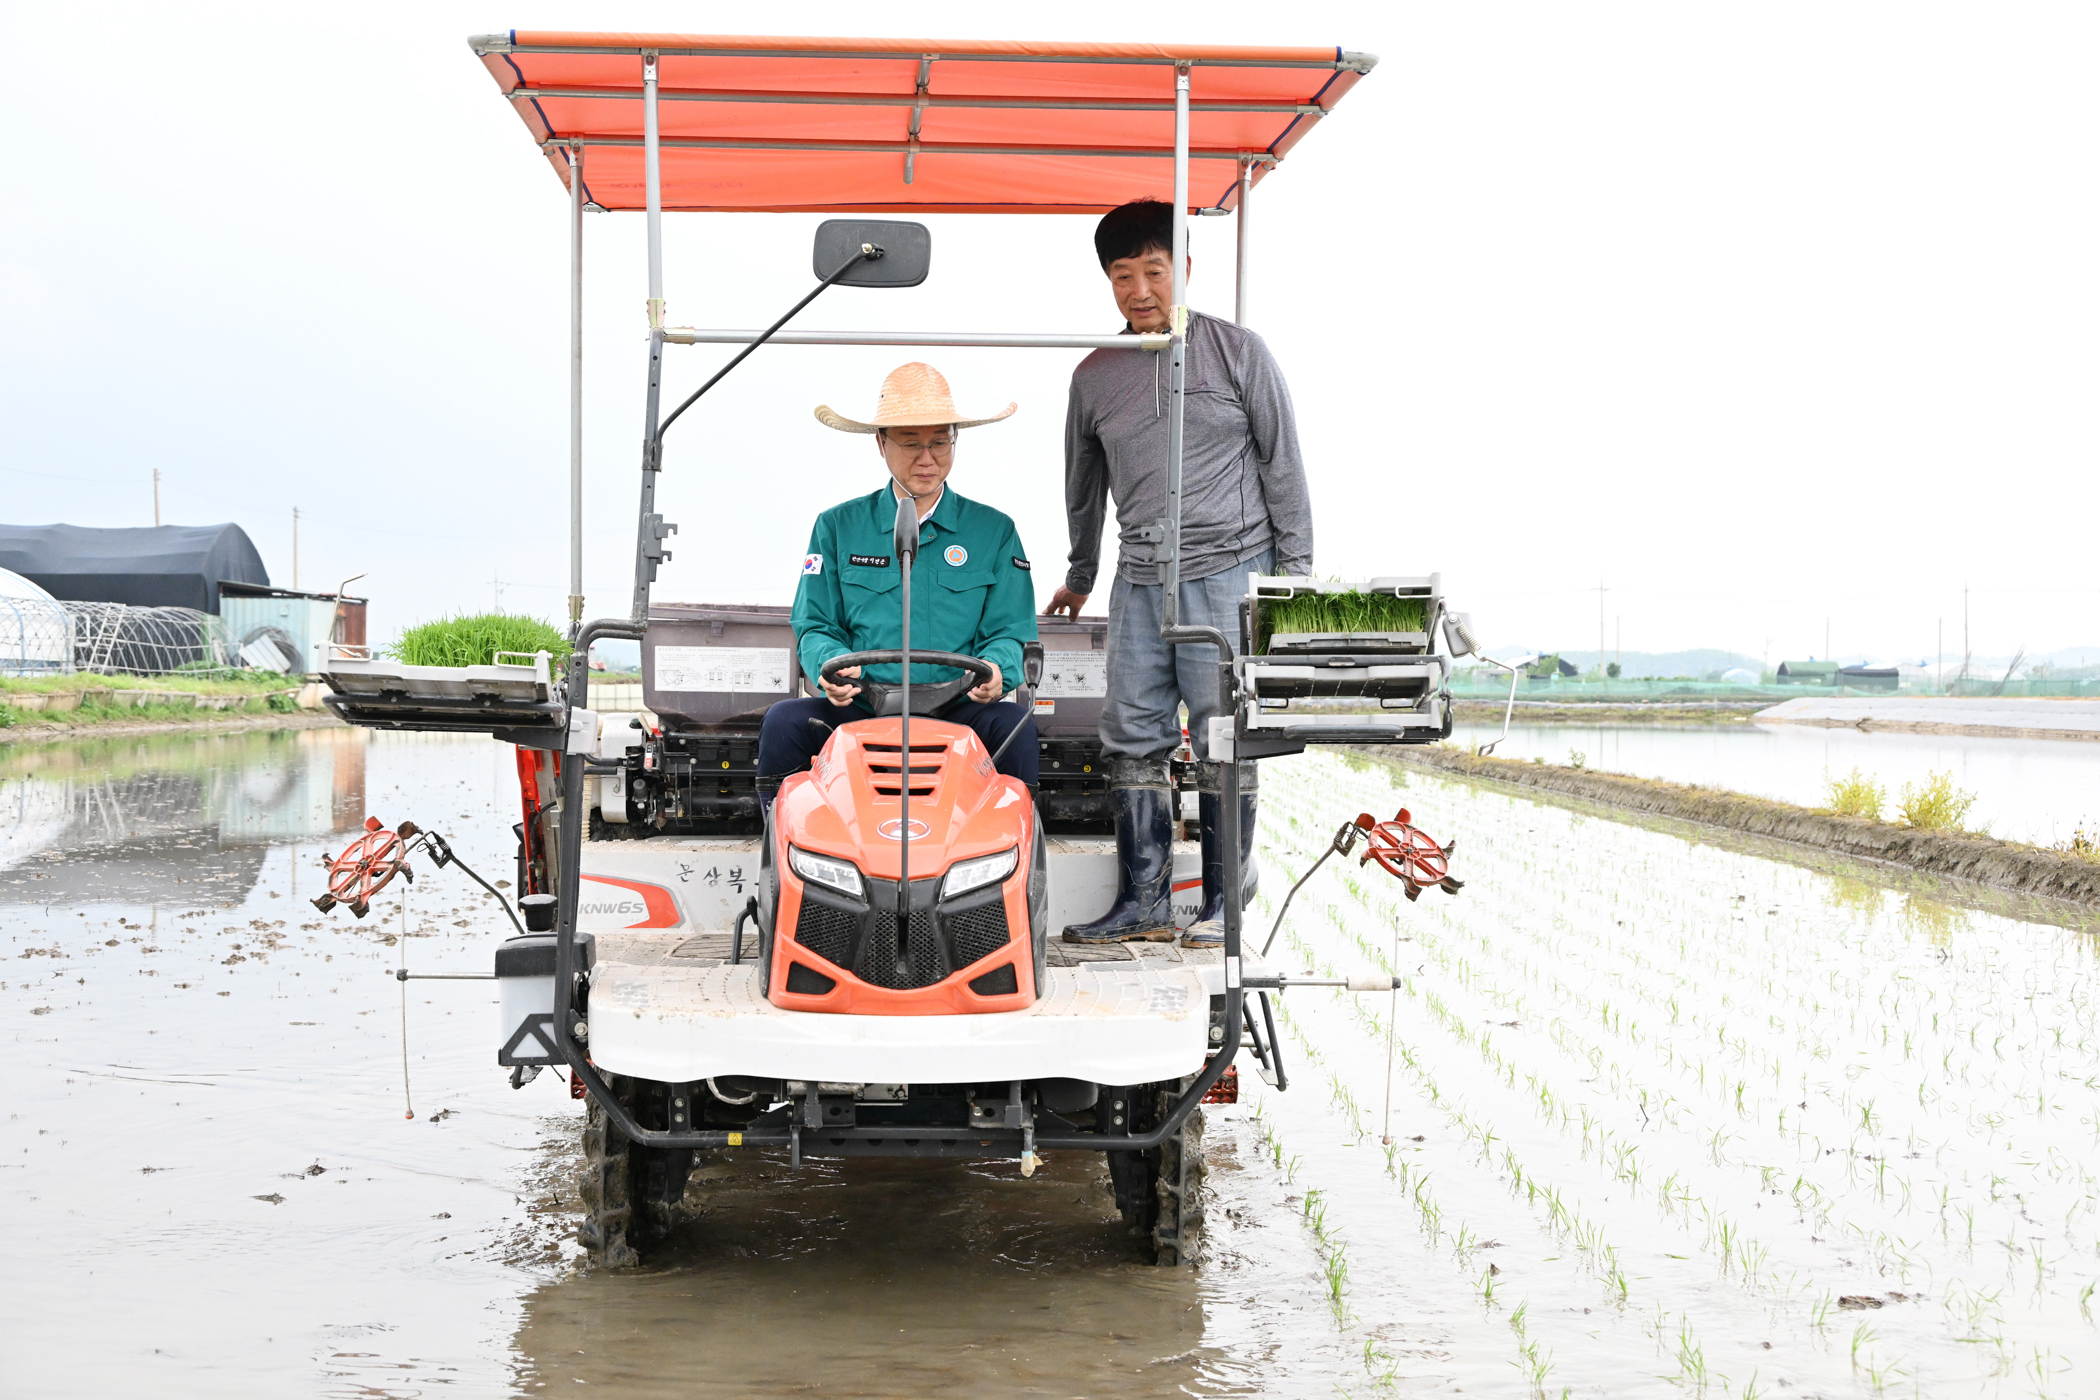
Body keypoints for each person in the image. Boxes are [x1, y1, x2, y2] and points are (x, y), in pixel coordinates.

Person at [1046, 199, 1313, 948]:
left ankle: (1226, 899)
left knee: (1227, 733)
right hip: (1138, 577)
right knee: (1131, 733)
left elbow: (1282, 465)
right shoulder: (1094, 376)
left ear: (1185, 270)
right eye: (1122, 276)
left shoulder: (1238, 353)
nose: (1139, 291)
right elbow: (1082, 482)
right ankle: (1144, 900)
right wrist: (1080, 570)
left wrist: (1292, 582)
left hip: (1231, 571)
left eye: (1153, 271)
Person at [758, 363, 1039, 807]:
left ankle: (1014, 860)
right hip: (861, 707)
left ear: (954, 440)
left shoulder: (995, 531)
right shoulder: (836, 527)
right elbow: (815, 624)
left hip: (959, 709)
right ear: (880, 443)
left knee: (1016, 727)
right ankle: (785, 854)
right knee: (783, 724)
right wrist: (830, 666)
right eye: (910, 444)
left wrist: (997, 672)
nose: (927, 459)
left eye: (940, 443)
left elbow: (1011, 630)